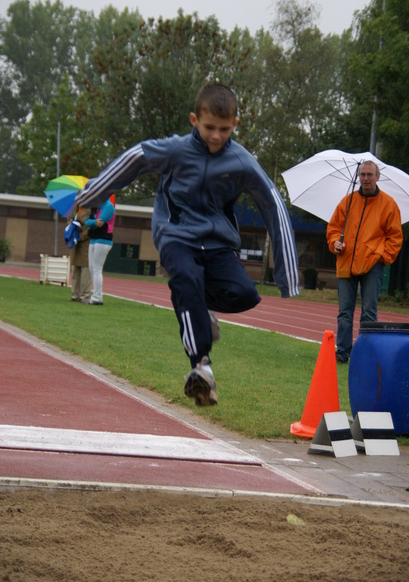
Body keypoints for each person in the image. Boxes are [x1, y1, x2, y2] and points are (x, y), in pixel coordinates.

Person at [76, 82, 300, 405]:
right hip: (175, 233)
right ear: (195, 119)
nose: (216, 136)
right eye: (209, 127)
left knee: (244, 294)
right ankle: (201, 367)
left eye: (224, 129)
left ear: (235, 124)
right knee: (187, 278)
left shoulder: (241, 161)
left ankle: (200, 308)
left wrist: (287, 275)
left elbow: (272, 204)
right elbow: (135, 158)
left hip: (218, 242)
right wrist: (90, 195)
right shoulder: (176, 150)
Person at [326, 160, 403, 364]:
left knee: (369, 313)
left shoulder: (389, 204)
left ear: (378, 177)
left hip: (372, 265)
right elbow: (333, 228)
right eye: (363, 175)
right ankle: (343, 352)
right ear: (358, 177)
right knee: (344, 312)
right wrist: (335, 243)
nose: (366, 178)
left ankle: (366, 354)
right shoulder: (347, 202)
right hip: (346, 263)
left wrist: (382, 257)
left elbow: (395, 237)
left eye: (370, 175)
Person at [85, 196, 116, 305]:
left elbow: (100, 222)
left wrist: (92, 222)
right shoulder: (96, 207)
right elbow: (87, 221)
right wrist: (93, 222)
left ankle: (97, 297)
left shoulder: (108, 206)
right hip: (94, 239)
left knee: (97, 268)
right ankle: (96, 296)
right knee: (92, 267)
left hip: (103, 239)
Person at [67, 205, 92, 303]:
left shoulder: (91, 210)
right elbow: (69, 220)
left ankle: (85, 296)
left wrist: (80, 235)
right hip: (75, 243)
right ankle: (75, 295)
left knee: (85, 270)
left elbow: (90, 228)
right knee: (75, 270)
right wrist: (72, 226)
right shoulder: (75, 210)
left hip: (85, 243)